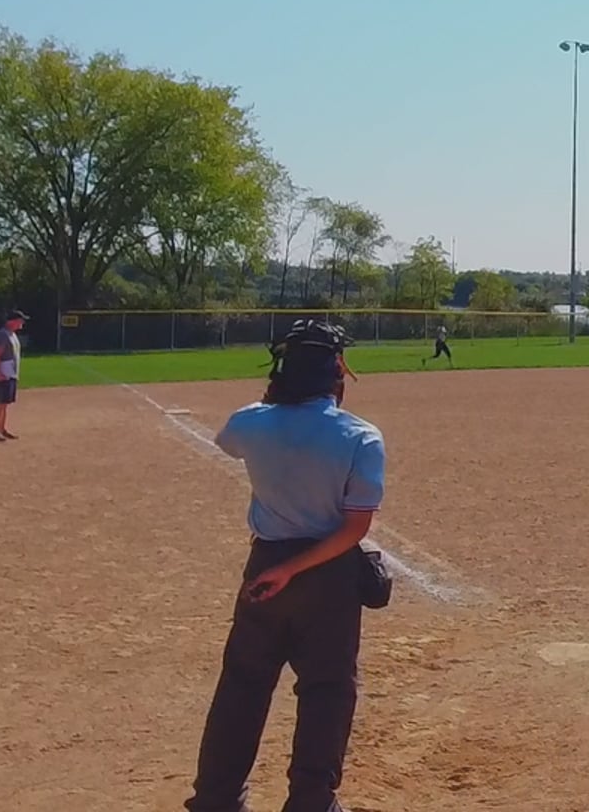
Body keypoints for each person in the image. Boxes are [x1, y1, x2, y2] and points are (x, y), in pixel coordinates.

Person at [187, 319, 386, 812]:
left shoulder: (249, 423)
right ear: (337, 371)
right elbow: (354, 529)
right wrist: (296, 569)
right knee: (327, 691)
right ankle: (311, 801)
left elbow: (229, 439)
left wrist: (273, 400)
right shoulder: (361, 437)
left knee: (242, 686)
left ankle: (215, 799)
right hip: (329, 573)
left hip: (265, 567)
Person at [0, 309, 26, 442]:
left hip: (10, 373)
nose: (22, 323)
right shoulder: (2, 335)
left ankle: (2, 429)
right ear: (12, 321)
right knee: (0, 403)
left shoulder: (12, 334)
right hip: (3, 374)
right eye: (20, 320)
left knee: (5, 403)